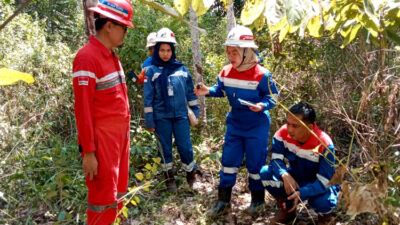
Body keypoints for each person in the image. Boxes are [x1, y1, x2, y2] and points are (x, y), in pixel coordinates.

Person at [195, 25, 279, 216]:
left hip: (257, 125)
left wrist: (262, 106)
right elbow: (221, 90)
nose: (231, 56)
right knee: (228, 162)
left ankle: (257, 201)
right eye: (228, 52)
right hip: (235, 124)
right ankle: (223, 201)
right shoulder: (226, 72)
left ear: (247, 51)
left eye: (235, 52)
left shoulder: (263, 74)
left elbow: (274, 97)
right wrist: (208, 91)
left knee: (255, 164)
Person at [71, 0, 134, 224]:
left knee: (117, 193)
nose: (125, 33)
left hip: (119, 140)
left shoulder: (111, 56)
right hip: (102, 144)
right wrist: (89, 152)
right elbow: (83, 109)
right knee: (102, 198)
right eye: (124, 28)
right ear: (109, 26)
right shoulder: (87, 58)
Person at [259, 103, 340, 224]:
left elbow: (325, 180)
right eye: (288, 124)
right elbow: (275, 160)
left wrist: (304, 192)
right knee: (265, 173)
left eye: (295, 126)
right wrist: (284, 174)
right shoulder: (282, 134)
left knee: (324, 201)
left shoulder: (324, 144)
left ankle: (325, 217)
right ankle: (288, 211)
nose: (290, 129)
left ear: (310, 127)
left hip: (317, 182)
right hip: (295, 177)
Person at [143, 27, 200, 192]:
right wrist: (150, 120)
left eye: (168, 50)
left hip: (181, 115)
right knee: (164, 148)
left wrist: (195, 111)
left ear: (173, 51)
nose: (165, 54)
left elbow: (190, 93)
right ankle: (169, 179)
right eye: (162, 50)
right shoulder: (151, 71)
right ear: (157, 50)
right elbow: (148, 98)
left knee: (185, 147)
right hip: (161, 117)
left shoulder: (181, 70)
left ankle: (191, 175)